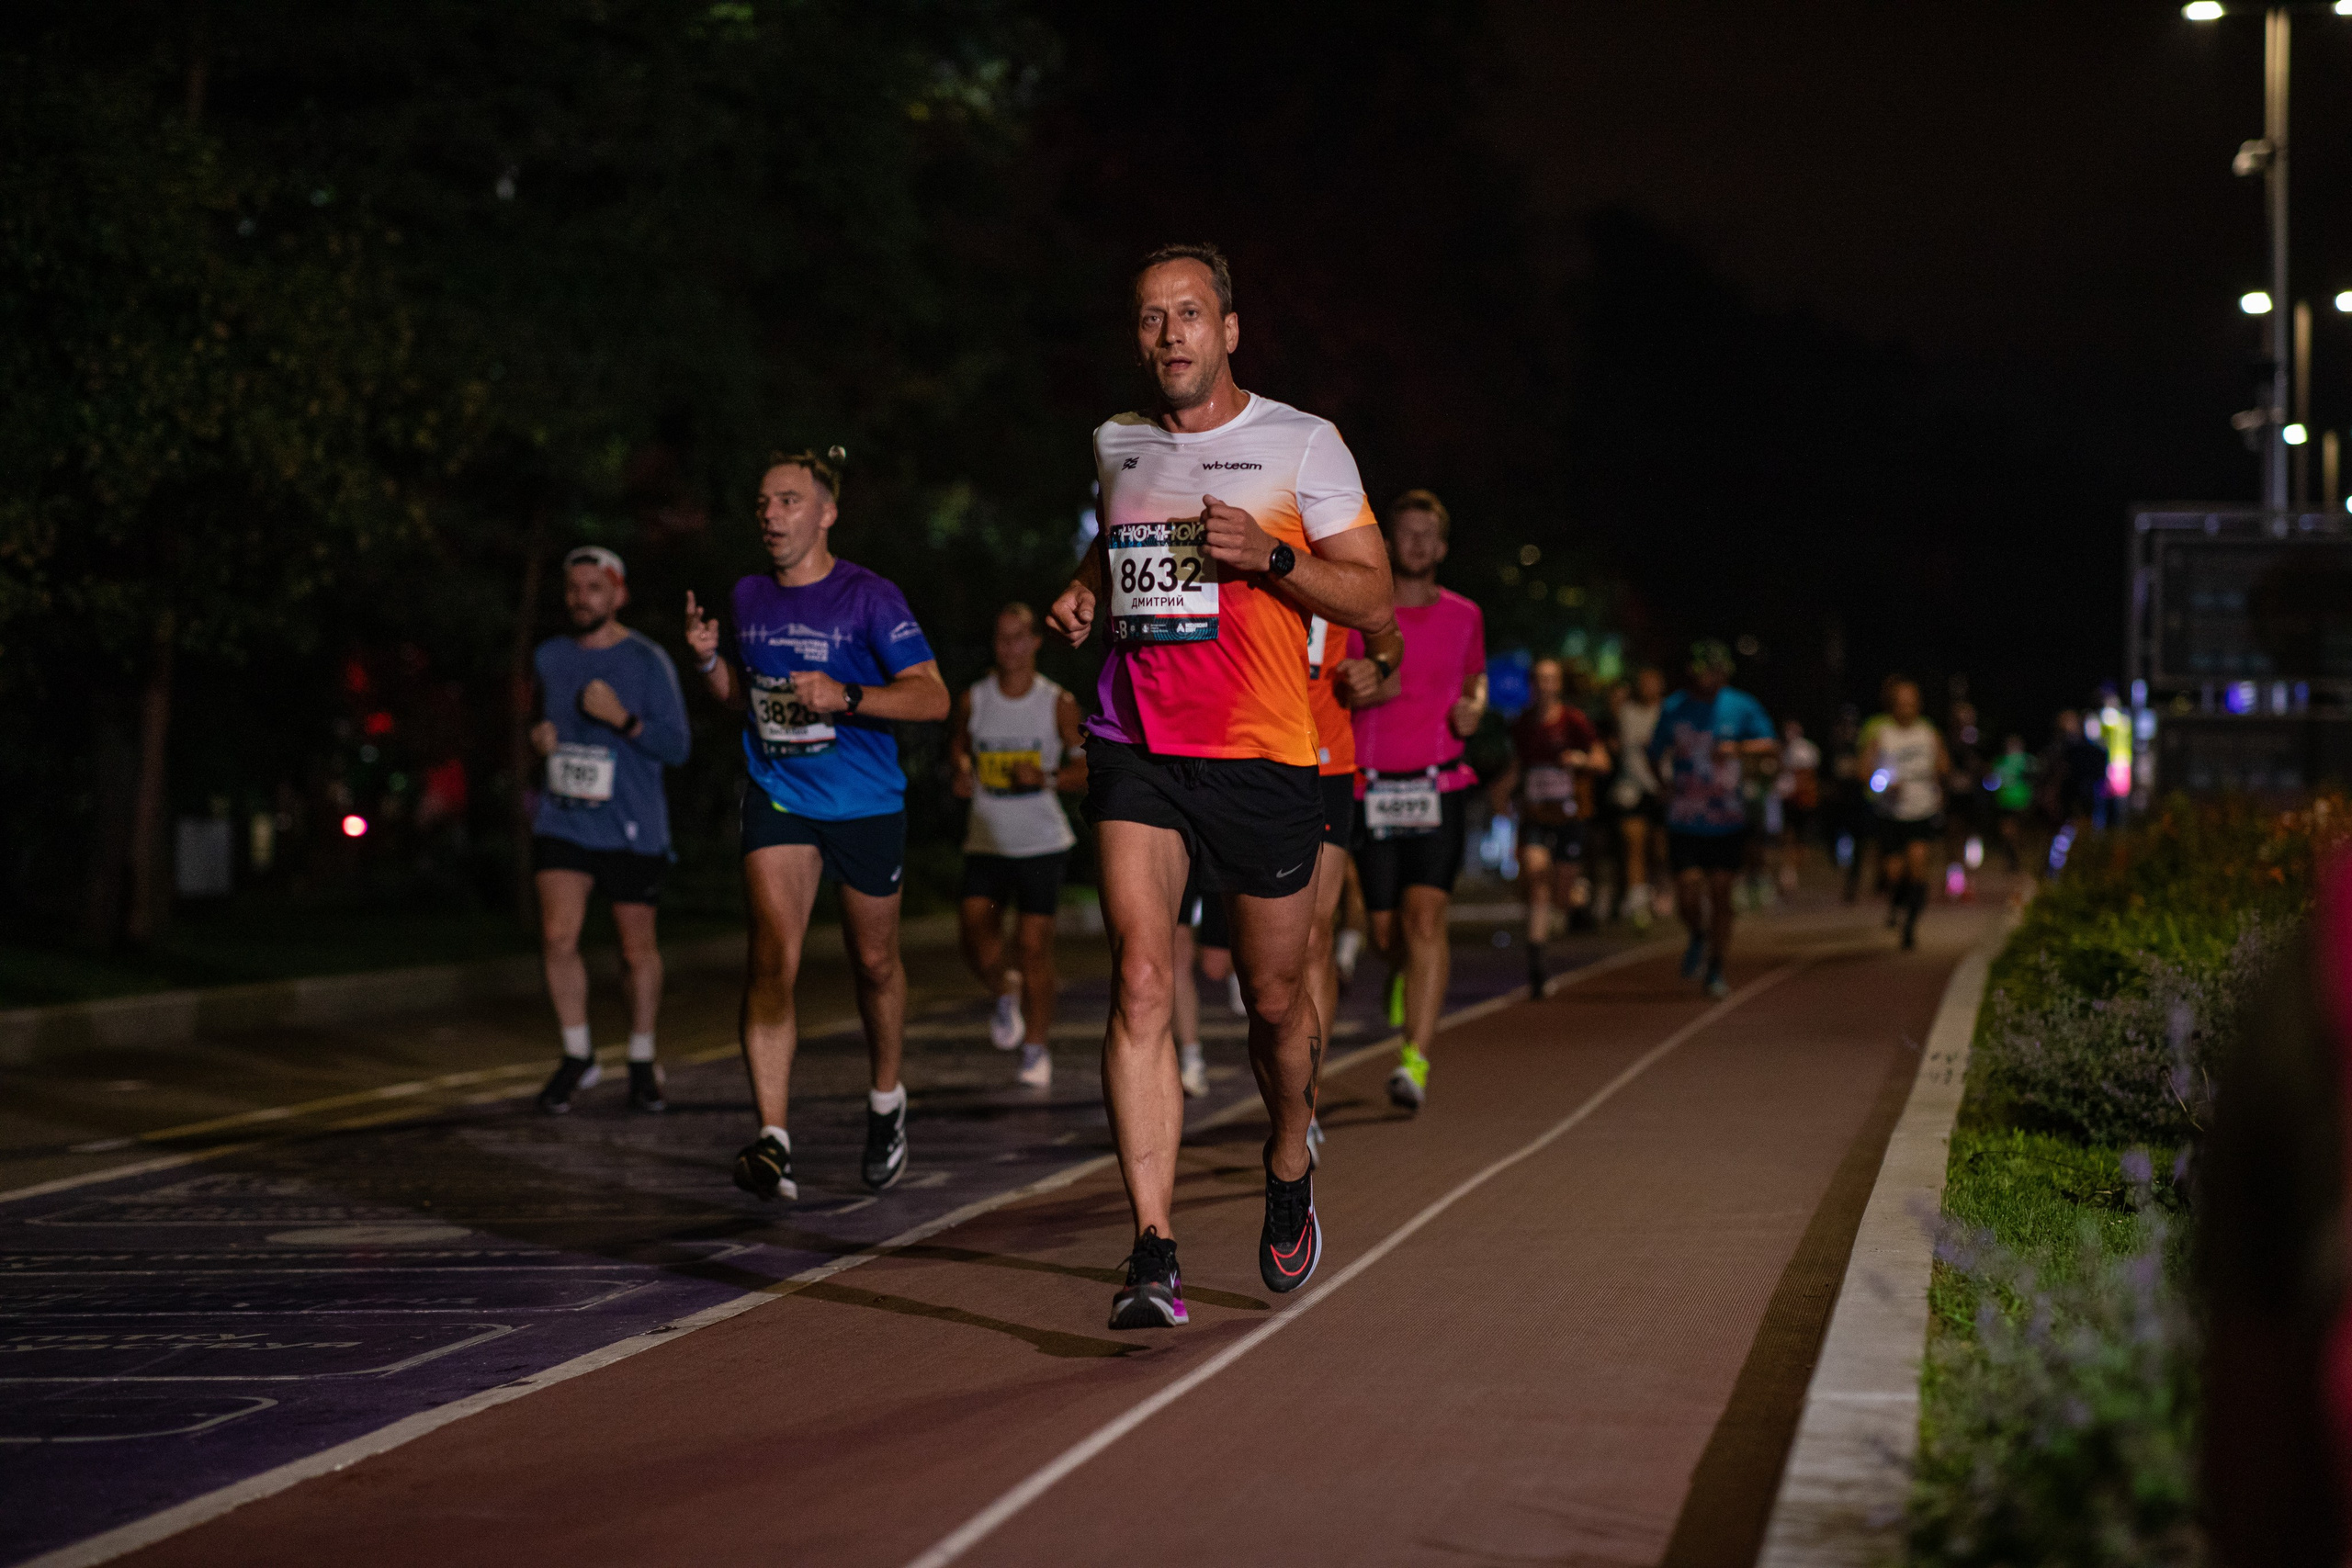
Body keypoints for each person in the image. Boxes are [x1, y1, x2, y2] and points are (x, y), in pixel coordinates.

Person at [1046, 243, 1396, 1330]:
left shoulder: (1303, 443)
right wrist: (1077, 590)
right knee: (1143, 983)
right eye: (1151, 318)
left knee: (1274, 1000)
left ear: (1229, 329)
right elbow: (1115, 552)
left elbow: (1375, 596)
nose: (1169, 337)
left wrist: (1273, 561)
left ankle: (1287, 1156)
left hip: (1263, 755)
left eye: (1189, 315)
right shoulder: (1114, 443)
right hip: (1135, 743)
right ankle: (1151, 1246)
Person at [684, 448, 949, 1203]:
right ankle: (774, 1138)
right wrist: (708, 663)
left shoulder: (869, 597)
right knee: (770, 954)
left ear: (826, 512)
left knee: (874, 962)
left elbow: (933, 698)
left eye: (789, 501)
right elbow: (742, 696)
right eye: (764, 502)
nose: (771, 514)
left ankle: (887, 1098)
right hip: (780, 794)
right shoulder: (747, 596)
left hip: (865, 802)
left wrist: (849, 697)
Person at [528, 547, 693, 1114]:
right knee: (557, 937)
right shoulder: (549, 656)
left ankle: (642, 1056)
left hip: (631, 823)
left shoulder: (647, 660)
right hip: (565, 816)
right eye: (574, 588)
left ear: (618, 593)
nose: (582, 598)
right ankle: (578, 1055)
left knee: (634, 951)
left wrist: (621, 718)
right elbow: (543, 726)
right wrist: (541, 741)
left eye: (594, 588)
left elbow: (678, 747)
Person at [1348, 491, 1487, 1111]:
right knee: (1385, 932)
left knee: (1427, 917)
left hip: (1440, 782)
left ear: (1445, 546)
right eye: (1408, 533)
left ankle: (1415, 1059)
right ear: (1385, 544)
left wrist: (1474, 706)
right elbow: (1340, 685)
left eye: (1431, 534)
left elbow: (1475, 677)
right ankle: (1399, 971)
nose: (1420, 544)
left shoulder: (1465, 615)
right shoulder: (1362, 613)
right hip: (1370, 786)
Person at [950, 603, 1086, 1089]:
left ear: (1034, 642)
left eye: (1017, 638)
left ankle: (1036, 1048)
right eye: (1000, 639)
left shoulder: (1057, 702)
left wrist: (1046, 776)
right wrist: (962, 772)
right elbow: (959, 748)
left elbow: (1086, 768)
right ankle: (1004, 990)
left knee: (1033, 948)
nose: (1008, 648)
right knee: (973, 934)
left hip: (1041, 844)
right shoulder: (975, 699)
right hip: (986, 840)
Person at [1650, 640, 1777, 998]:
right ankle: (1697, 935)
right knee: (1688, 894)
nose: (1711, 677)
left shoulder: (1741, 705)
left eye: (1718, 670)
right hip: (1685, 818)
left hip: (1727, 818)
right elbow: (1653, 750)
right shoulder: (1675, 707)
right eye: (1705, 669)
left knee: (1722, 894)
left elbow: (1771, 744)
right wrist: (1662, 785)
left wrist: (1737, 748)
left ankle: (1716, 967)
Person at [1495, 656, 1607, 990]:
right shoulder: (1522, 725)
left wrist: (1581, 758)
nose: (1545, 685)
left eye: (1551, 679)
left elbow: (1603, 761)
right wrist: (1500, 796)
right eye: (1539, 679)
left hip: (1569, 815)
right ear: (1532, 685)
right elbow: (1517, 767)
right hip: (1535, 815)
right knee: (1536, 877)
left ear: (1558, 684)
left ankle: (1576, 895)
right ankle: (1536, 962)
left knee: (1560, 894)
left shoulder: (1574, 721)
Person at [1858, 677, 1949, 951]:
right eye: (1901, 703)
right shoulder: (1881, 734)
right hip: (1891, 813)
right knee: (1894, 873)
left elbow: (1943, 766)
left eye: (1911, 702)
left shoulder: (1928, 732)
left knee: (1919, 863)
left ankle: (1910, 928)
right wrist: (1884, 782)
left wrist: (1936, 775)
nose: (1907, 708)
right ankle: (1897, 902)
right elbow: (1865, 772)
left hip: (1921, 810)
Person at [1608, 667, 1668, 929]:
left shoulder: (1668, 712)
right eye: (1644, 682)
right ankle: (1637, 901)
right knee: (1634, 844)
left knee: (1660, 849)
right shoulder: (1627, 713)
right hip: (1632, 789)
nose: (1648, 686)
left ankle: (1659, 890)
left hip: (1664, 789)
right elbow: (1629, 754)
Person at [1772, 716, 1821, 894]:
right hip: (1787, 800)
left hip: (1801, 801)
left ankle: (1793, 869)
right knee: (1787, 835)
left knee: (1801, 839)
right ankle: (1788, 871)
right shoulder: (1782, 748)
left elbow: (1807, 777)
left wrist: (1802, 793)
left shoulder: (1805, 749)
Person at [1988, 732, 2037, 873]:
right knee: (2010, 831)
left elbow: (2035, 776)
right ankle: (2014, 858)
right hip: (2008, 802)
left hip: (2018, 801)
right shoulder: (2004, 761)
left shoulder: (2024, 760)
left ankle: (2016, 857)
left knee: (2014, 831)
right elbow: (1992, 781)